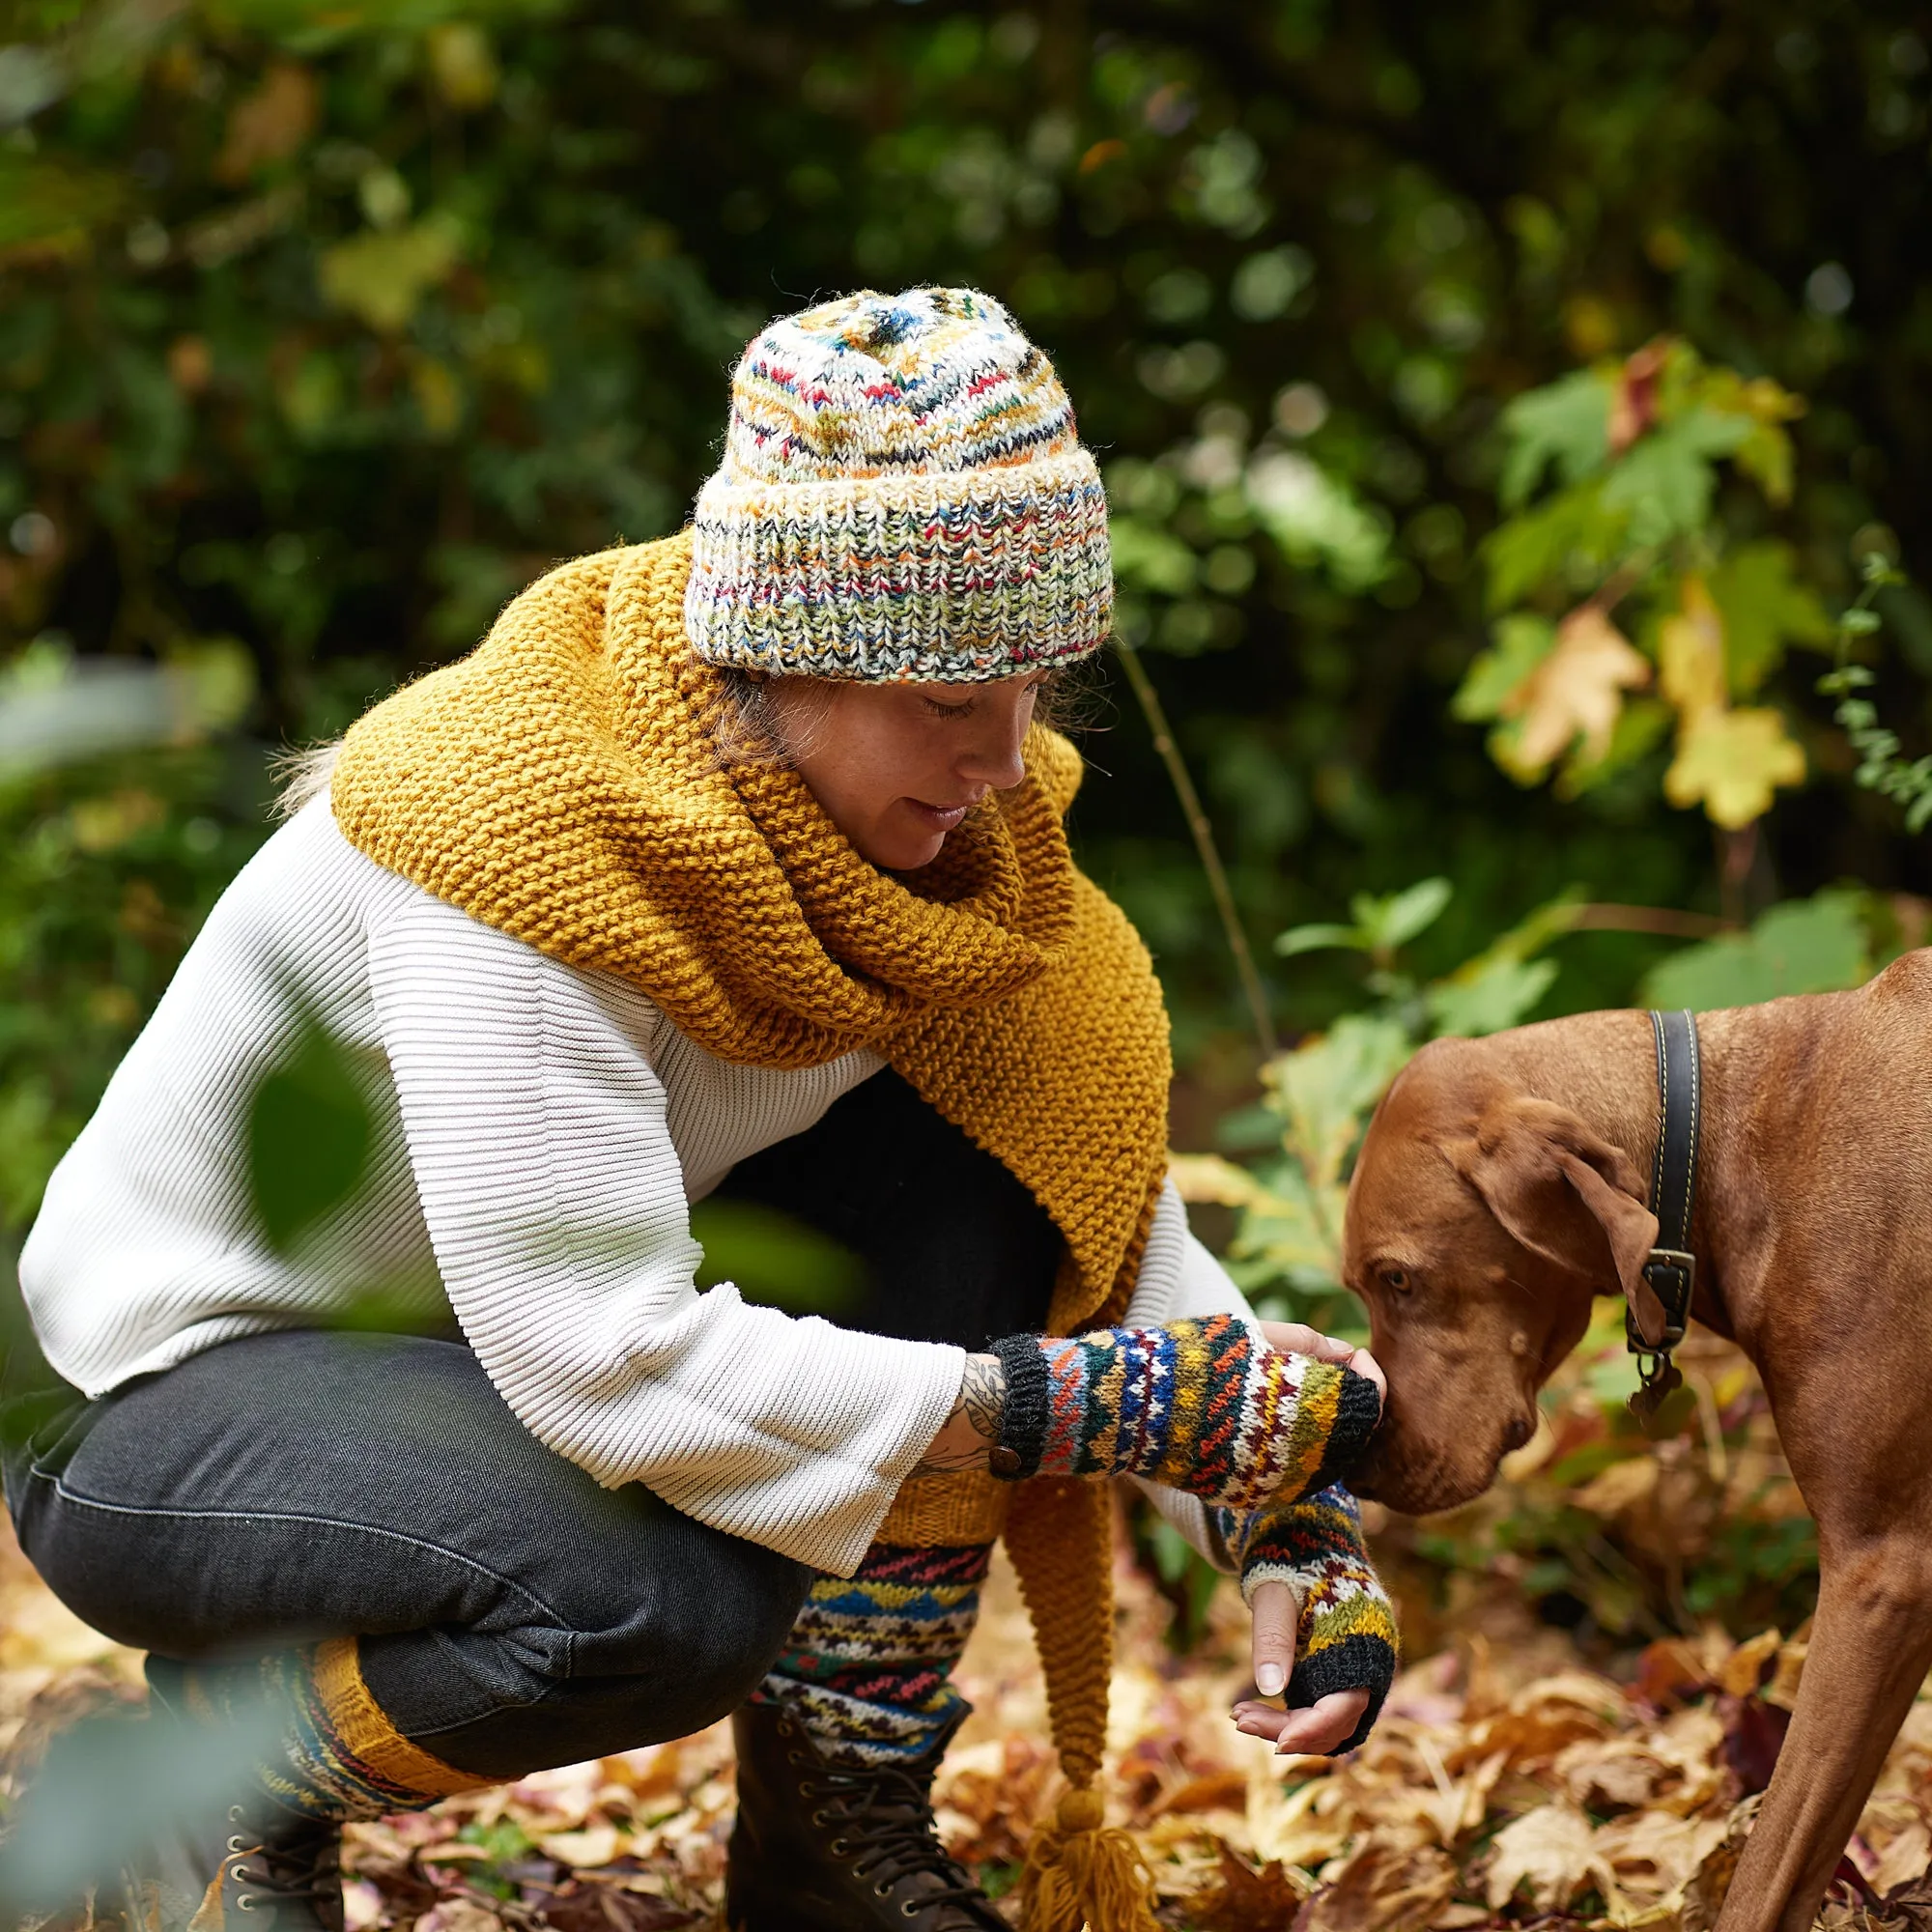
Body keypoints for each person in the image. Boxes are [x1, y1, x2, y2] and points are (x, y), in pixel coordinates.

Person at [3, 288, 1397, 1932]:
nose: (1008, 759)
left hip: (478, 1380)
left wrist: (1283, 1510)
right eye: (950, 700)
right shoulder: (518, 822)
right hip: (176, 1399)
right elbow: (604, 1354)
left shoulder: (958, 868)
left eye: (1034, 686)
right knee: (648, 1601)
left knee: (977, 1154)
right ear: (787, 652)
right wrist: (1070, 1408)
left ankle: (829, 1836)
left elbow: (1096, 1214)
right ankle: (228, 1770)